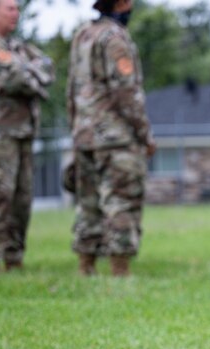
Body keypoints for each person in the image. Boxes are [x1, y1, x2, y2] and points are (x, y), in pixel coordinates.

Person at [68, 0, 155, 278]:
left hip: (84, 135)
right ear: (121, 4)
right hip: (115, 138)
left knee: (88, 203)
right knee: (121, 201)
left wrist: (76, 128)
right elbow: (126, 92)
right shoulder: (114, 38)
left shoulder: (83, 35)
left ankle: (86, 267)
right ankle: (120, 270)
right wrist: (144, 133)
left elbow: (72, 88)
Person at [0, 0, 54, 273]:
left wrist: (31, 74)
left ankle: (14, 259)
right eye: (9, 8)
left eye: (17, 8)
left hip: (23, 132)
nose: (16, 13)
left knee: (22, 200)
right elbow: (13, 79)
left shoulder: (17, 47)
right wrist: (32, 76)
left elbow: (47, 67)